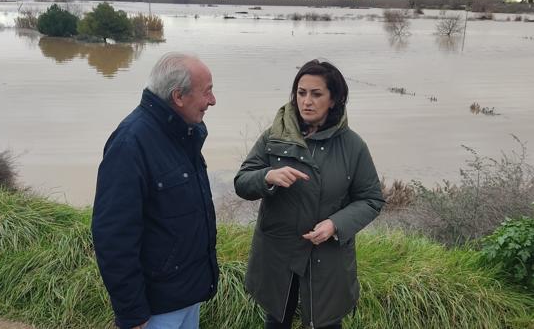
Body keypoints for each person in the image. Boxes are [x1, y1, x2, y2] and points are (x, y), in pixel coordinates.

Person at [234, 59, 384, 329]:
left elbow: (371, 199)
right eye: (301, 93)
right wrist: (267, 176)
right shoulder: (274, 137)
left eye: (316, 94)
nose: (307, 101)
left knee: (325, 321)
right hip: (278, 254)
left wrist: (335, 225)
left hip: (326, 256)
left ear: (334, 99)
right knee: (277, 320)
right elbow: (242, 182)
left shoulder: (353, 146)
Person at [92, 52, 219, 329]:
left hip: (187, 297)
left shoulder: (183, 133)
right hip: (156, 310)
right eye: (207, 92)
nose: (212, 100)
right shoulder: (130, 144)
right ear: (178, 97)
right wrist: (132, 312)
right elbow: (113, 236)